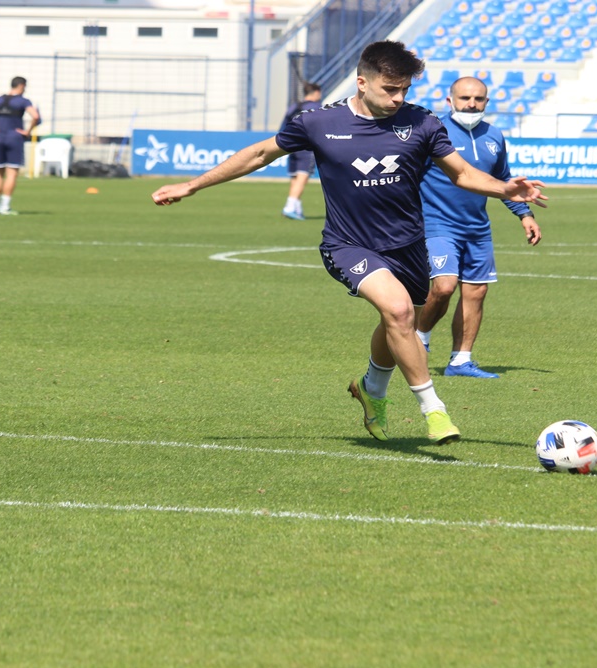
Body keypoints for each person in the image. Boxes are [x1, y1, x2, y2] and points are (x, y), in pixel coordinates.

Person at [152, 41, 546, 445]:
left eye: (404, 90)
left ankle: (371, 389)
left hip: (408, 245)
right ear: (362, 82)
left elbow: (461, 173)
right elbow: (258, 154)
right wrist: (192, 185)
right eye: (389, 89)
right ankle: (435, 411)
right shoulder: (317, 122)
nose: (398, 98)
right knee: (397, 311)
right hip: (348, 243)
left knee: (399, 318)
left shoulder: (423, 123)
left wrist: (504, 189)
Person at [416, 77, 542, 379]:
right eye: (464, 98)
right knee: (444, 286)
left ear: (486, 102)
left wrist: (524, 214)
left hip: (477, 228)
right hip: (437, 224)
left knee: (476, 292)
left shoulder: (494, 136)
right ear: (450, 101)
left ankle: (460, 361)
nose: (471, 104)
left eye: (478, 99)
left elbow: (503, 180)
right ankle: (418, 337)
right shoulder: (434, 132)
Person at [0, 76, 40, 215]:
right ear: (21, 86)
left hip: (0, 137)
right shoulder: (23, 101)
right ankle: (5, 207)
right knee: (12, 173)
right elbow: (35, 116)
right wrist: (27, 131)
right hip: (15, 138)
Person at [279, 82, 323, 220]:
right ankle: (290, 206)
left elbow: (283, 126)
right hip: (306, 146)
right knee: (302, 177)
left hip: (291, 145)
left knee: (295, 177)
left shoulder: (294, 106)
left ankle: (296, 207)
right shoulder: (317, 108)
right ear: (316, 93)